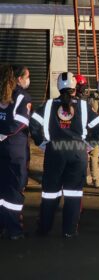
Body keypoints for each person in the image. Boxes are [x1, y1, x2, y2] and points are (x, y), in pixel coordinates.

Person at [29, 71, 99, 238]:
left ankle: (44, 228)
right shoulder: (83, 106)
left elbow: (33, 122)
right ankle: (69, 231)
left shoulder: (48, 105)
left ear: (59, 87)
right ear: (74, 87)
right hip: (77, 153)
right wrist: (90, 145)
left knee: (50, 193)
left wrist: (41, 142)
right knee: (73, 194)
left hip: (54, 151)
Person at [0, 64, 32, 240]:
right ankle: (14, 230)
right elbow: (20, 122)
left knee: (2, 187)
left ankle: (2, 225)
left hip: (3, 148)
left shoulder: (3, 92)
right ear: (19, 79)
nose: (29, 80)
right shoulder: (22, 97)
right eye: (27, 76)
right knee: (14, 188)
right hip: (15, 149)